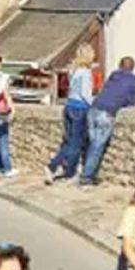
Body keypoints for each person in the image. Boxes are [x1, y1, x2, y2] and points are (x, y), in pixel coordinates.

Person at [79, 57, 135, 187]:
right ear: (133, 67)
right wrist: (122, 104)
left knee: (93, 143)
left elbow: (105, 89)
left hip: (94, 109)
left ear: (120, 66)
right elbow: (132, 100)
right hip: (106, 113)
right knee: (97, 146)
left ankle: (88, 172)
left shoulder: (114, 75)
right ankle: (86, 177)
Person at [44, 46, 95, 184]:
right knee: (75, 143)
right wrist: (92, 105)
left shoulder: (74, 70)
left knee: (68, 141)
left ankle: (56, 167)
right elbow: (85, 93)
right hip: (80, 108)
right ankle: (65, 171)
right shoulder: (85, 72)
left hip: (69, 105)